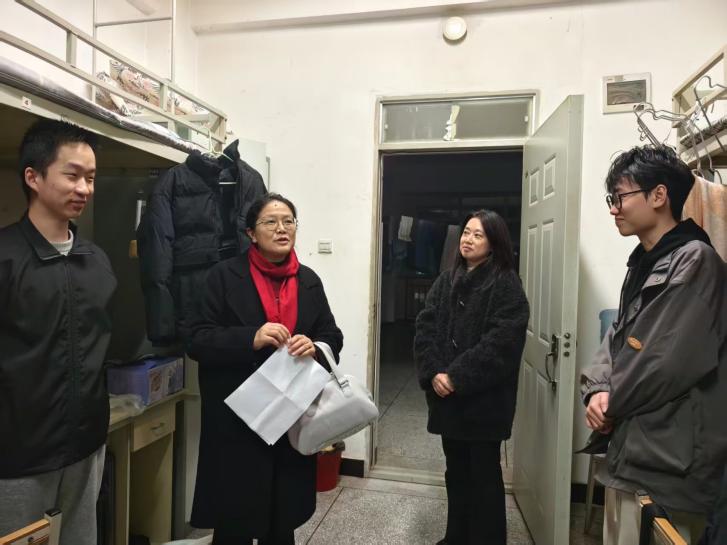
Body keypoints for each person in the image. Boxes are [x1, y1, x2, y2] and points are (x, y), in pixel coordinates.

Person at [580, 145, 727, 545]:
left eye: (620, 197)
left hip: (669, 462)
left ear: (659, 195)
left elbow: (662, 362)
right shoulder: (646, 262)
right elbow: (616, 337)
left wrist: (611, 401)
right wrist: (596, 389)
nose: (614, 209)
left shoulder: (695, 261)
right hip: (632, 450)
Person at [188, 193, 344, 545]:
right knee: (235, 519)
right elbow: (197, 339)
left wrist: (315, 346)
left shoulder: (308, 280)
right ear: (251, 233)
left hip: (291, 414)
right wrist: (251, 337)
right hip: (239, 417)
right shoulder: (223, 276)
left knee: (282, 517)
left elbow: (332, 334)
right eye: (270, 222)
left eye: (288, 221)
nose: (281, 228)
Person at [0, 119, 117, 544]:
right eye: (72, 175)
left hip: (86, 445)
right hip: (18, 455)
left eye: (91, 178)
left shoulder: (96, 261)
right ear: (33, 177)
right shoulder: (6, 258)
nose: (84, 188)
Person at [413, 209, 529, 545]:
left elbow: (501, 344)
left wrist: (456, 376)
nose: (468, 239)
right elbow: (425, 326)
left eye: (478, 235)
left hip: (483, 404)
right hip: (447, 401)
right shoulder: (447, 279)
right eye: (466, 232)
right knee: (456, 473)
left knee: (484, 479)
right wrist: (434, 372)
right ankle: (456, 537)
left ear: (494, 243)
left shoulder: (505, 283)